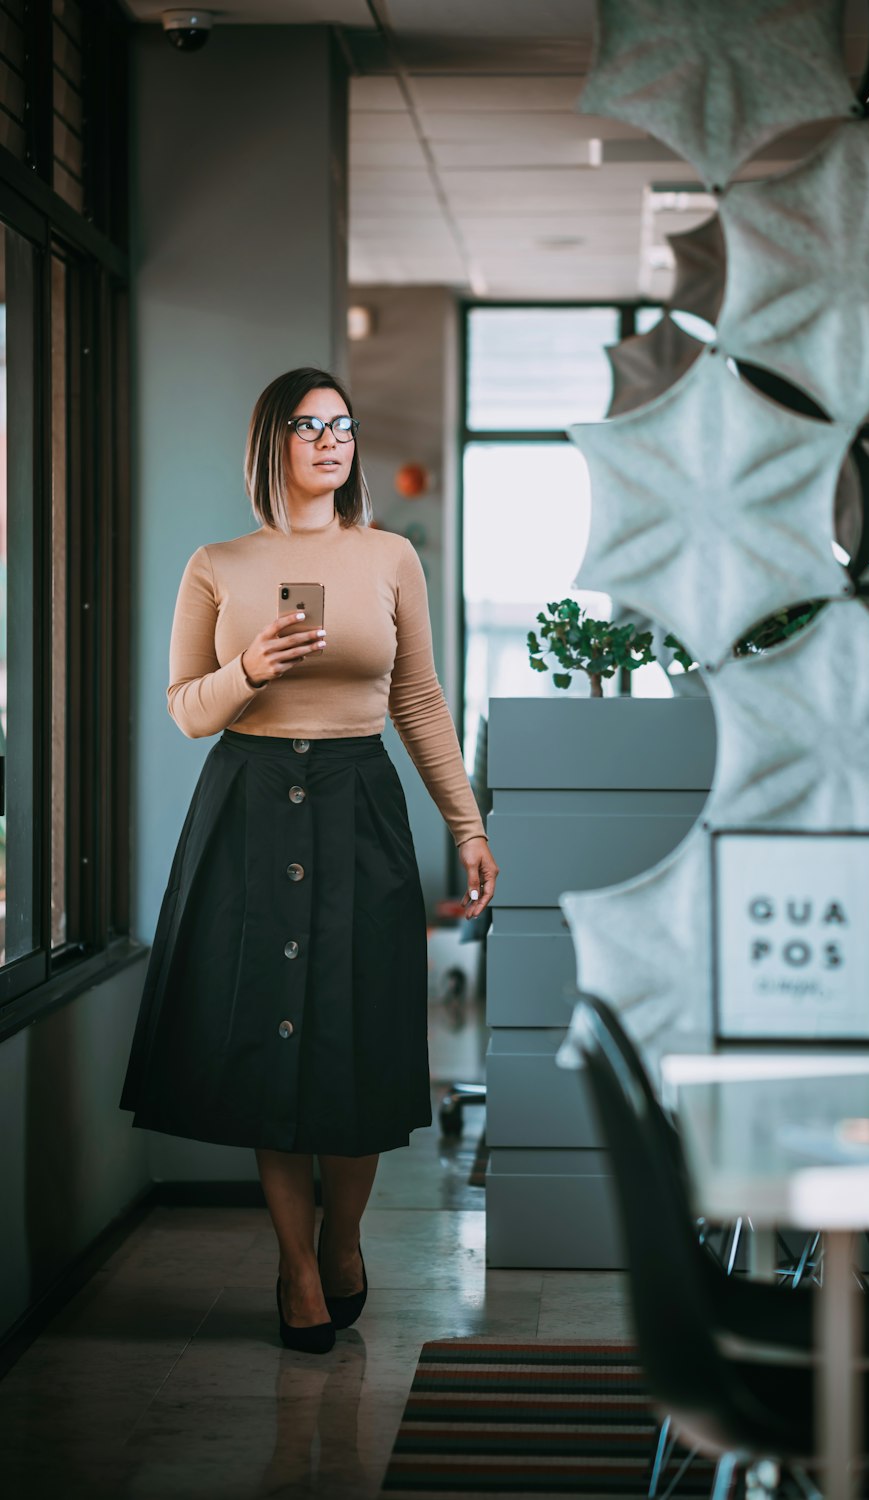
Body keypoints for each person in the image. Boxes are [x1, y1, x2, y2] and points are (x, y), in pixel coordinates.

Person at [120, 367, 499, 1354]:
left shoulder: (389, 555)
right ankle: (295, 1265)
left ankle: (344, 1234)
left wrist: (464, 823)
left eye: (344, 425)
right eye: (309, 424)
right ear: (271, 441)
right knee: (270, 1039)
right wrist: (248, 670)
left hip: (358, 801)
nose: (331, 440)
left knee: (357, 1035)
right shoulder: (218, 563)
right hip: (248, 804)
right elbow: (184, 708)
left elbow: (418, 703)